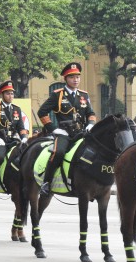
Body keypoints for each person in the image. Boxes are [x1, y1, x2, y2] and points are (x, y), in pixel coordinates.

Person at [36, 62, 97, 195]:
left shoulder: (84, 95)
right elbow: (42, 112)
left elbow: (91, 113)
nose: (75, 80)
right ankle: (47, 182)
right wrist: (53, 129)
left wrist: (91, 124)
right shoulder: (57, 94)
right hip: (64, 133)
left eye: (77, 77)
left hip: (81, 132)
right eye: (72, 77)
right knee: (58, 152)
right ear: (65, 78)